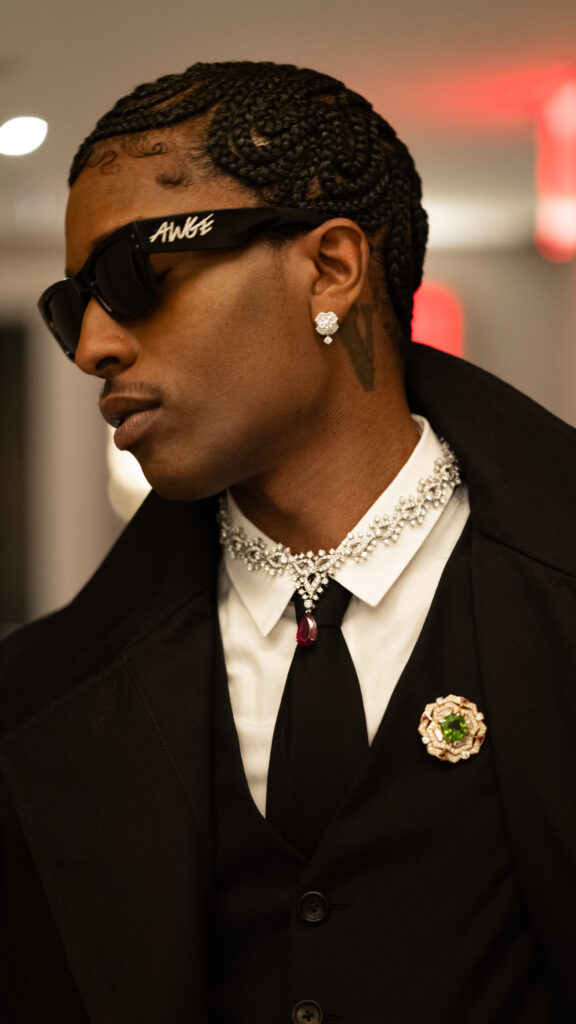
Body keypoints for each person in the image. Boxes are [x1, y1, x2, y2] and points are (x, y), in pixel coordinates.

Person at [1, 60, 575, 1024]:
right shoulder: (38, 698)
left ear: (331, 268)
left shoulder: (554, 591)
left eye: (133, 276)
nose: (94, 345)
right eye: (71, 307)